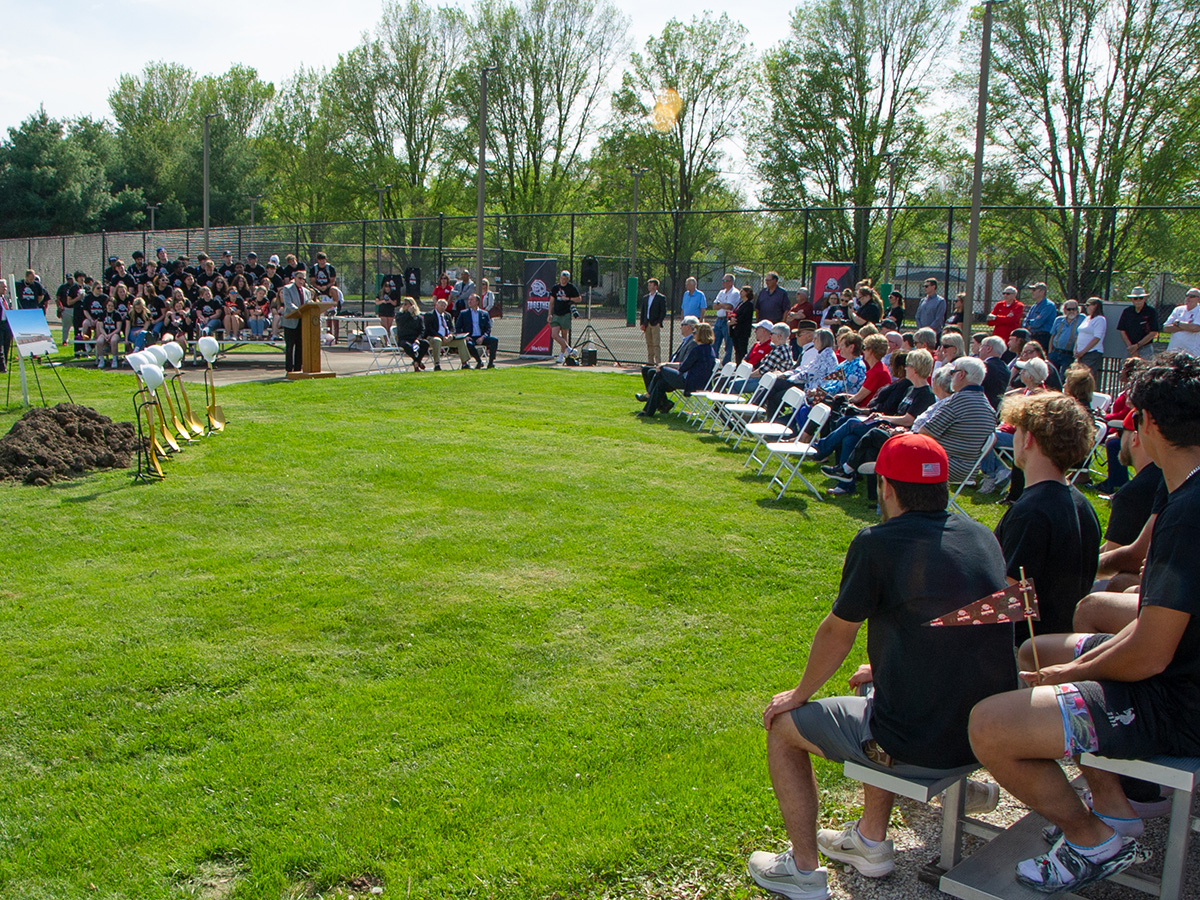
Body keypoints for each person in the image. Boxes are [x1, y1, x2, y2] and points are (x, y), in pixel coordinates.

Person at [969, 351, 1200, 895]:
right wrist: (1070, 668)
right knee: (1043, 652)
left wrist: (1067, 678)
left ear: (1147, 423)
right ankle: (1113, 808)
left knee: (989, 725)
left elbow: (1150, 654)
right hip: (1178, 671)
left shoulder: (1188, 514)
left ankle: (1094, 840)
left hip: (1179, 701)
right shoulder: (1168, 498)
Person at [748, 433, 1016, 900]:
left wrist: (798, 694)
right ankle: (870, 841)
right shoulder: (981, 535)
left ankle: (803, 872)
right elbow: (964, 626)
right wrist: (885, 666)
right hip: (986, 733)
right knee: (873, 688)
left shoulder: (877, 543)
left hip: (923, 744)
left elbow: (838, 632)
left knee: (783, 728)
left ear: (886, 487)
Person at [992, 393, 1101, 640]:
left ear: (1028, 438)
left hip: (1028, 646)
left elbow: (1010, 599)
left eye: (1017, 430)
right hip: (1065, 636)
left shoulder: (1031, 513)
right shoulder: (1082, 504)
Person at [637, 322, 715, 417]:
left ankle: (648, 394)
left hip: (690, 382)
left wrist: (666, 365)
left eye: (695, 332)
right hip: (701, 382)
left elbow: (683, 367)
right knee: (661, 384)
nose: (693, 335)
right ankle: (648, 411)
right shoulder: (710, 350)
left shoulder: (697, 350)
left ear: (701, 335)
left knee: (661, 369)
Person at [639, 316, 697, 394]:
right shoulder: (686, 340)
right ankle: (660, 400)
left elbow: (684, 364)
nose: (680, 327)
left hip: (679, 374)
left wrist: (667, 365)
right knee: (646, 370)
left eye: (682, 325)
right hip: (673, 369)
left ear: (688, 327)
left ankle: (649, 394)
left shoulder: (692, 342)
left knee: (655, 373)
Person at [424, 298, 471, 370]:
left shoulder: (447, 315)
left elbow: (452, 328)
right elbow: (429, 329)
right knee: (437, 340)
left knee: (461, 341)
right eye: (441, 305)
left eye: (444, 306)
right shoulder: (429, 315)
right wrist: (441, 337)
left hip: (447, 338)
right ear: (436, 305)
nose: (442, 307)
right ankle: (437, 364)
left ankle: (465, 363)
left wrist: (450, 335)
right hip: (433, 338)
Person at [1116, 286, 1159, 360]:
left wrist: (1137, 346)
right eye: (1135, 298)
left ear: (1145, 298)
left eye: (1141, 298)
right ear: (1132, 299)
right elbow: (1122, 330)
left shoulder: (1151, 311)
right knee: (1126, 366)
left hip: (1145, 348)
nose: (1138, 300)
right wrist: (1131, 347)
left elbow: (1153, 332)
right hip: (1130, 348)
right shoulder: (1127, 312)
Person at [456, 294, 499, 369]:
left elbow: (488, 328)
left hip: (481, 337)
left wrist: (483, 337)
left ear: (477, 302)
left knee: (494, 340)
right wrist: (465, 336)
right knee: (469, 344)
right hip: (470, 337)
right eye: (469, 300)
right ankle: (479, 361)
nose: (469, 301)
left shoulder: (484, 314)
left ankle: (491, 363)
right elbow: (458, 327)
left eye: (472, 300)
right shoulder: (463, 313)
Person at [281, 269, 311, 374]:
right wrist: (299, 311)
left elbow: (308, 304)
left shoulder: (307, 291)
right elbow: (288, 304)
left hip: (302, 323)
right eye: (299, 278)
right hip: (290, 322)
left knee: (300, 346)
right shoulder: (287, 288)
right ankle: (289, 370)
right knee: (290, 347)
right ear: (294, 278)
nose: (301, 280)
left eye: (303, 279)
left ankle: (298, 369)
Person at [549, 270, 580, 364]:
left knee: (564, 335)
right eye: (562, 278)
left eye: (565, 279)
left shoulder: (571, 287)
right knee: (554, 334)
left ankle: (562, 355)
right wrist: (550, 313)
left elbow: (579, 299)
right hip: (556, 314)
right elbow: (551, 302)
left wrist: (568, 298)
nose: (563, 280)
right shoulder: (555, 288)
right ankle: (569, 349)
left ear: (568, 279)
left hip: (566, 313)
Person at [1074, 297, 1108, 385]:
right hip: (1080, 353)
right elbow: (1079, 334)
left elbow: (1097, 338)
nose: (1086, 307)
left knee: (1085, 377)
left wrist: (1083, 351)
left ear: (1095, 306)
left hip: (1092, 352)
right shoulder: (1087, 318)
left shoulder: (1100, 319)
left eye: (1088, 305)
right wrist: (1076, 349)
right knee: (1077, 376)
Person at [1162, 286, 1200, 355]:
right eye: (1187, 295)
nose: (1188, 298)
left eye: (1192, 296)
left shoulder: (1198, 311)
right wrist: (1188, 326)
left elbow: (1196, 328)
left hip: (1192, 352)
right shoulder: (1178, 310)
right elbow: (1166, 328)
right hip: (1173, 351)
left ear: (1198, 299)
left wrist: (1178, 324)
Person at [394, 297, 430, 370]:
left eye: (406, 304)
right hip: (404, 338)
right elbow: (400, 323)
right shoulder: (400, 315)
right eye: (403, 304)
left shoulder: (418, 317)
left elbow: (422, 329)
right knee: (407, 346)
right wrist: (408, 313)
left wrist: (418, 339)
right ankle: (417, 361)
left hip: (415, 338)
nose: (404, 306)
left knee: (425, 343)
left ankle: (417, 361)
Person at [977, 335, 1012, 409]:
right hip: (998, 407)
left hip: (982, 405)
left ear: (989, 348)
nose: (979, 350)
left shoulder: (984, 366)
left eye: (981, 346)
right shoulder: (1005, 367)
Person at [712, 273, 739, 365]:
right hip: (718, 320)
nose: (723, 282)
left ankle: (726, 363)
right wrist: (722, 305)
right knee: (715, 342)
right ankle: (714, 362)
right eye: (723, 280)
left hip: (727, 320)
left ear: (731, 282)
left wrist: (720, 305)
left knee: (728, 344)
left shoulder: (735, 293)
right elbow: (714, 306)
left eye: (725, 281)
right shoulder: (721, 292)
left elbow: (730, 306)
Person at [640, 277, 667, 366]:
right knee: (649, 344)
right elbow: (643, 311)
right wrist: (642, 323)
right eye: (648, 285)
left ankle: (658, 362)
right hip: (647, 323)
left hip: (655, 323)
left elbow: (663, 311)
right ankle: (650, 362)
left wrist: (659, 322)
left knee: (656, 344)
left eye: (651, 285)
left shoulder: (660, 298)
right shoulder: (645, 298)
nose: (649, 286)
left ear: (655, 286)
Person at [1022, 282, 1057, 348]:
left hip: (1043, 337)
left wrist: (1029, 323)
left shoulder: (1049, 305)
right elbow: (1025, 322)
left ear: (1042, 292)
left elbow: (1038, 323)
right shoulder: (1034, 306)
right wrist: (1029, 323)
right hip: (1032, 336)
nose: (1032, 292)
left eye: (1034, 290)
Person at [730, 285, 756, 363]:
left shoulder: (749, 305)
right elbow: (735, 313)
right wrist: (731, 319)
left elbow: (744, 317)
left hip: (743, 332)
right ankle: (738, 364)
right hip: (736, 331)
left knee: (742, 350)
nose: (740, 292)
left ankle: (742, 365)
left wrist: (735, 320)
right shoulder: (740, 303)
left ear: (747, 293)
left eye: (742, 291)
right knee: (737, 350)